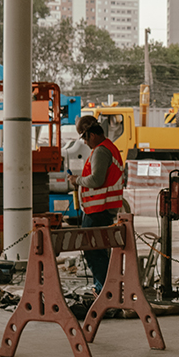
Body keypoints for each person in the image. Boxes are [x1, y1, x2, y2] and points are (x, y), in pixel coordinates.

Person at [67, 118, 125, 292]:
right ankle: (105, 288)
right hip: (103, 209)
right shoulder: (109, 148)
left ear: (92, 134)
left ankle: (106, 290)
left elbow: (96, 180)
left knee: (93, 251)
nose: (85, 142)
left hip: (98, 210)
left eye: (85, 138)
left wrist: (76, 180)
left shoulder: (101, 151)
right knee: (99, 250)